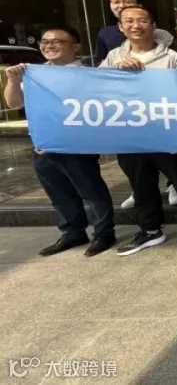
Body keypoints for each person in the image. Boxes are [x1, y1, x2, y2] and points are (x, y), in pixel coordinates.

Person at [101, 6, 177, 255]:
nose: (136, 25)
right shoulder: (113, 57)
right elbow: (100, 88)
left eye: (142, 20)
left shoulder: (171, 57)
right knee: (141, 183)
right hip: (130, 132)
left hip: (167, 132)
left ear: (153, 25)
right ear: (120, 26)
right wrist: (117, 72)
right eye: (129, 21)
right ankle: (150, 230)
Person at [4, 26, 117, 257]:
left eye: (57, 41)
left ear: (75, 47)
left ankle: (104, 233)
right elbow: (14, 103)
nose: (49, 45)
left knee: (91, 191)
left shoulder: (89, 75)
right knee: (58, 192)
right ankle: (72, 232)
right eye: (45, 42)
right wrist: (13, 80)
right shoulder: (34, 74)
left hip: (78, 145)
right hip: (43, 147)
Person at [93, 0, 174, 64]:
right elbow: (101, 64)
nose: (121, 6)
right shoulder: (105, 35)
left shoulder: (161, 35)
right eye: (116, 2)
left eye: (127, 2)